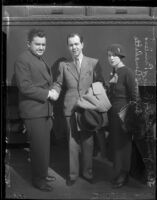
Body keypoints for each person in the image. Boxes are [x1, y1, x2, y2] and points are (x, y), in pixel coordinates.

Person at [52, 33, 104, 186]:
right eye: (71, 45)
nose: (74, 47)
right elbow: (58, 83)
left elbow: (100, 84)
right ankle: (72, 175)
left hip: (88, 109)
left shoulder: (94, 63)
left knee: (88, 142)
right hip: (71, 109)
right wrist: (54, 91)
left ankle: (88, 173)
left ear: (82, 44)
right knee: (72, 142)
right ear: (68, 47)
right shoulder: (64, 66)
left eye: (76, 44)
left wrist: (93, 101)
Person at [14, 29, 58, 191]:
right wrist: (48, 93)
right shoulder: (23, 59)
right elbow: (25, 87)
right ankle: (38, 180)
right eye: (37, 44)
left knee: (44, 146)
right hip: (34, 111)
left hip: (44, 110)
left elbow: (44, 82)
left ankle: (42, 173)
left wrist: (53, 90)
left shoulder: (38, 58)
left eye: (43, 44)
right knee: (38, 147)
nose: (41, 47)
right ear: (28, 44)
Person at [107, 44, 137, 188]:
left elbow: (135, 96)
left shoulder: (127, 72)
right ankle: (119, 172)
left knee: (124, 145)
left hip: (124, 114)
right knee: (116, 144)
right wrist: (110, 84)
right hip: (113, 114)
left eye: (114, 55)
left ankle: (124, 174)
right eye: (109, 55)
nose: (111, 58)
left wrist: (129, 116)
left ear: (120, 57)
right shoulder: (114, 73)